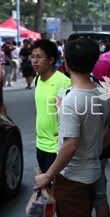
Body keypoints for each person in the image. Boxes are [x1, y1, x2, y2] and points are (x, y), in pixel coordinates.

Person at [33, 39, 110, 217]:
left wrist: (48, 176)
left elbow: (70, 145)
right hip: (92, 172)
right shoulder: (101, 92)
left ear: (65, 62)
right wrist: (95, 149)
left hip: (72, 178)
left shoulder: (70, 101)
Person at [32, 39, 71, 174]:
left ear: (51, 60)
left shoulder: (64, 82)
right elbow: (40, 106)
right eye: (33, 57)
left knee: (55, 189)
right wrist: (37, 126)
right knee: (46, 190)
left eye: (39, 57)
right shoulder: (36, 80)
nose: (35, 61)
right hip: (40, 143)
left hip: (55, 146)